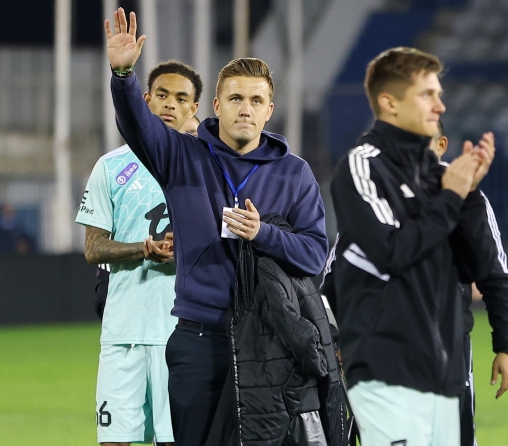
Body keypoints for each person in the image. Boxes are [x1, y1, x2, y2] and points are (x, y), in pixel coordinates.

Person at [103, 9, 329, 445]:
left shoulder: (294, 172)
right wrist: (124, 75)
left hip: (270, 342)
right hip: (200, 339)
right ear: (217, 105)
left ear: (269, 111)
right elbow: (137, 125)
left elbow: (315, 255)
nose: (246, 109)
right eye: (236, 98)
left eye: (256, 101)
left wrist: (264, 234)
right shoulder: (181, 156)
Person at [329, 47, 497, 445]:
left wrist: (470, 195)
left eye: (439, 94)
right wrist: (452, 198)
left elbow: (472, 266)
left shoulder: (437, 177)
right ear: (389, 103)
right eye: (427, 94)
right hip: (386, 372)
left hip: (441, 373)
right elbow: (391, 251)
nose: (440, 105)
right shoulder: (362, 166)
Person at [76, 59, 204, 446]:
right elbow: (93, 248)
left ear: (194, 108)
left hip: (182, 333)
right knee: (113, 440)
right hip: (123, 332)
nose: (170, 104)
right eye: (162, 95)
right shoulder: (110, 166)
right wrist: (142, 251)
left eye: (180, 98)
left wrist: (183, 254)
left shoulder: (207, 167)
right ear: (146, 100)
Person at [430, 121, 508, 445]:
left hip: (450, 345)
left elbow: (496, 275)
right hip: (386, 346)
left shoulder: (468, 194)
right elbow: (341, 267)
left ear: (441, 146)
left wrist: (506, 346)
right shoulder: (375, 190)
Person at [91, 114, 202, 321]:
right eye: (177, 135)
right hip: (132, 310)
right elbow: (94, 248)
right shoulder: (117, 168)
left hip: (193, 311)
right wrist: (144, 249)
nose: (183, 142)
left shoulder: (212, 180)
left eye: (192, 135)